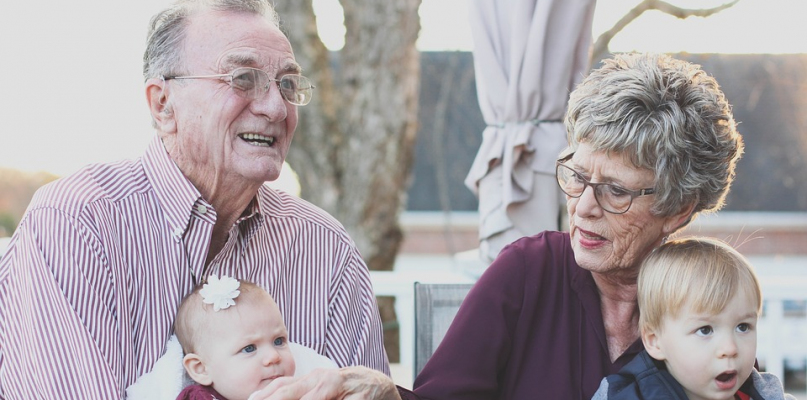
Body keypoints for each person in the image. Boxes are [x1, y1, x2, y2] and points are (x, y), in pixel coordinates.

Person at [250, 52, 745, 399]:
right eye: (576, 176)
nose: (582, 208)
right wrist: (385, 394)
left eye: (615, 190)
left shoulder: (711, 297)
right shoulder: (529, 271)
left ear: (678, 210)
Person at [0, 0, 388, 397]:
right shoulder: (76, 223)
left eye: (288, 84)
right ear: (162, 104)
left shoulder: (325, 246)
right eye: (243, 78)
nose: (276, 107)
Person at [592, 237, 795, 400]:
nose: (730, 348)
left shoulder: (767, 395)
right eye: (705, 330)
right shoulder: (627, 396)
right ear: (655, 341)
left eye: (743, 327)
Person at [175, 276, 296, 400]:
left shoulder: (299, 391)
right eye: (249, 348)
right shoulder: (199, 397)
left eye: (278, 341)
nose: (274, 356)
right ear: (201, 369)